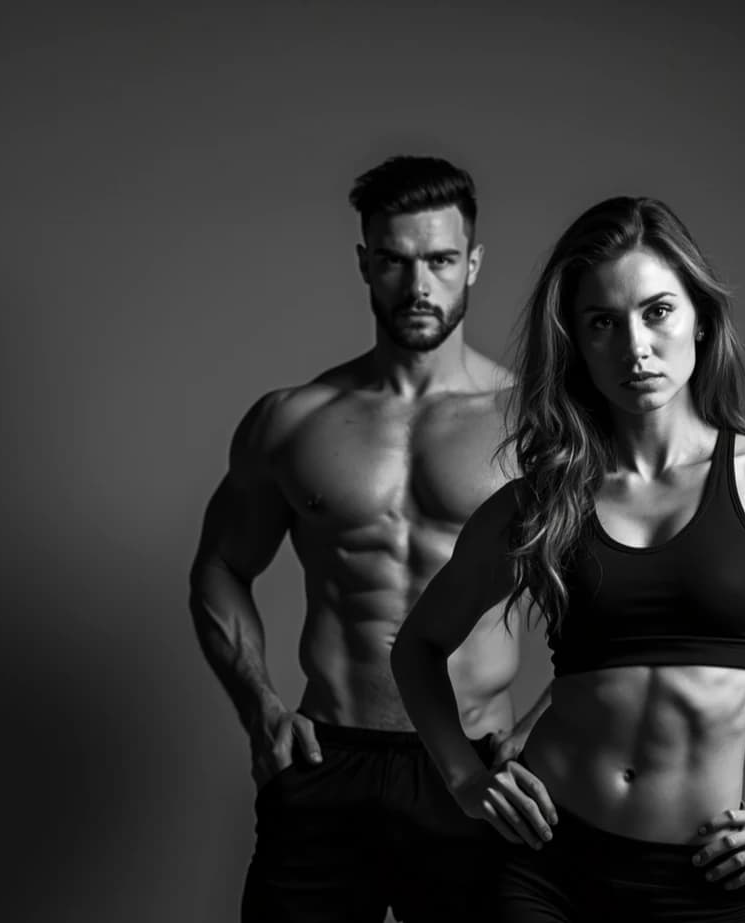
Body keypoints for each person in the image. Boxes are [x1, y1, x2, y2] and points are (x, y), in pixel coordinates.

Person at [392, 196, 745, 921]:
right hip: (544, 864)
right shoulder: (541, 501)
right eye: (602, 322)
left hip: (696, 879)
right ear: (577, 343)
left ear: (699, 315)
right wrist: (462, 777)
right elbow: (419, 644)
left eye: (657, 311)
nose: (634, 346)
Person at [189, 155, 550, 923]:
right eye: (394, 260)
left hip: (477, 765)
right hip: (327, 760)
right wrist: (260, 709)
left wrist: (542, 727)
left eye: (441, 261)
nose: (419, 286)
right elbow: (221, 565)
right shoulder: (295, 419)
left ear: (474, 264)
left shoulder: (536, 429)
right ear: (365, 263)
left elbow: (624, 604)